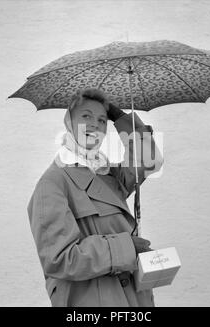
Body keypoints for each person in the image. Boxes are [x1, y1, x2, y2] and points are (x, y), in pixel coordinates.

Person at [27, 88, 164, 307]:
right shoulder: (52, 183)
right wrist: (127, 247)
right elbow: (60, 259)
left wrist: (120, 118)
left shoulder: (105, 173)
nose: (94, 124)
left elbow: (149, 161)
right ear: (69, 123)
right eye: (86, 116)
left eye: (102, 120)